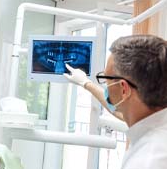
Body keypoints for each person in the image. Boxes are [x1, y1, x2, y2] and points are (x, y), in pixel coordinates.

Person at [65, 34, 167, 169]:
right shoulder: (154, 121)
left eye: (106, 79)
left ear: (124, 89)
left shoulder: (148, 160)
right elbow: (122, 112)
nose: (105, 85)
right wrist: (86, 83)